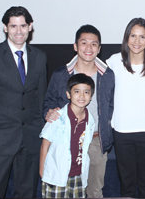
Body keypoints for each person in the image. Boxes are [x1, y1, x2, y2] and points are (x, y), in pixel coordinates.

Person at [0, 6, 47, 199]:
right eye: (13, 26)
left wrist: (42, 138)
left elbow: (40, 101)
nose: (18, 31)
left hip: (31, 139)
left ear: (30, 26)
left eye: (23, 25)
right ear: (5, 28)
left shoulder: (40, 57)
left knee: (27, 193)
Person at [43, 24, 114, 198]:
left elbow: (110, 105)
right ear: (75, 46)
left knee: (94, 191)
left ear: (99, 48)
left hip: (96, 141)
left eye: (94, 44)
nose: (88, 48)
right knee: (67, 190)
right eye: (84, 43)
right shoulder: (61, 74)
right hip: (65, 142)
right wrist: (48, 112)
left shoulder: (108, 75)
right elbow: (49, 101)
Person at [106, 18, 145, 198]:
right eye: (133, 36)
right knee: (126, 184)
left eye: (142, 37)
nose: (137, 41)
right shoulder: (114, 61)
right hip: (122, 131)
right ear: (126, 38)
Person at [40, 74, 95, 198]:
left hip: (78, 175)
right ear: (68, 94)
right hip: (56, 175)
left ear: (91, 96)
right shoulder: (57, 117)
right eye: (77, 91)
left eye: (86, 92)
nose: (81, 96)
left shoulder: (90, 120)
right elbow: (44, 147)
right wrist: (42, 173)